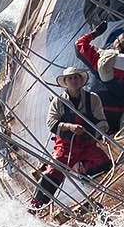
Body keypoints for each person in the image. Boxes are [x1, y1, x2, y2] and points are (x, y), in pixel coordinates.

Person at [30, 66, 110, 209]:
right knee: (52, 173)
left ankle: (82, 169)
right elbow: (51, 124)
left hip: (87, 144)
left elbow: (102, 121)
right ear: (65, 82)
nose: (74, 80)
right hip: (66, 147)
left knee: (104, 164)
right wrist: (69, 127)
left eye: (76, 77)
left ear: (81, 80)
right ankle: (37, 204)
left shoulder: (93, 99)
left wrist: (97, 133)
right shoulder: (58, 102)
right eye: (70, 78)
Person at [76, 22, 124, 132]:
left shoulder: (106, 59)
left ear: (117, 45)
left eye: (116, 39)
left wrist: (96, 33)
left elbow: (79, 46)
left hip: (103, 113)